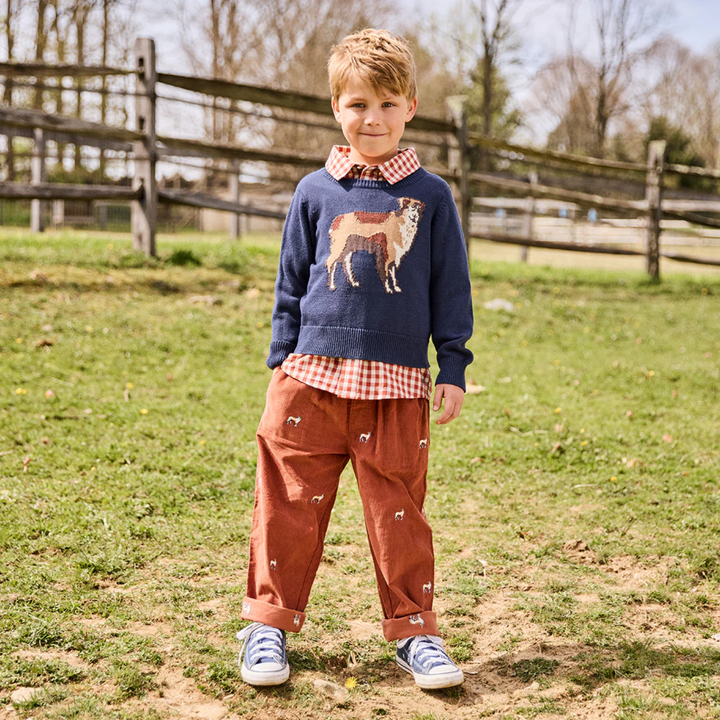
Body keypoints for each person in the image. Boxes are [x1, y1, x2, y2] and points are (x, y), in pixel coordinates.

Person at [237, 28, 474, 691]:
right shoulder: (315, 191)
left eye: (388, 104)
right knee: (286, 505)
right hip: (309, 379)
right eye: (359, 104)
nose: (373, 119)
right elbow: (291, 280)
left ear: (411, 107)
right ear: (337, 107)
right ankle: (268, 625)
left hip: (395, 385)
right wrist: (279, 362)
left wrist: (452, 367)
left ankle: (415, 632)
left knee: (399, 512)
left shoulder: (431, 198)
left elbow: (449, 288)